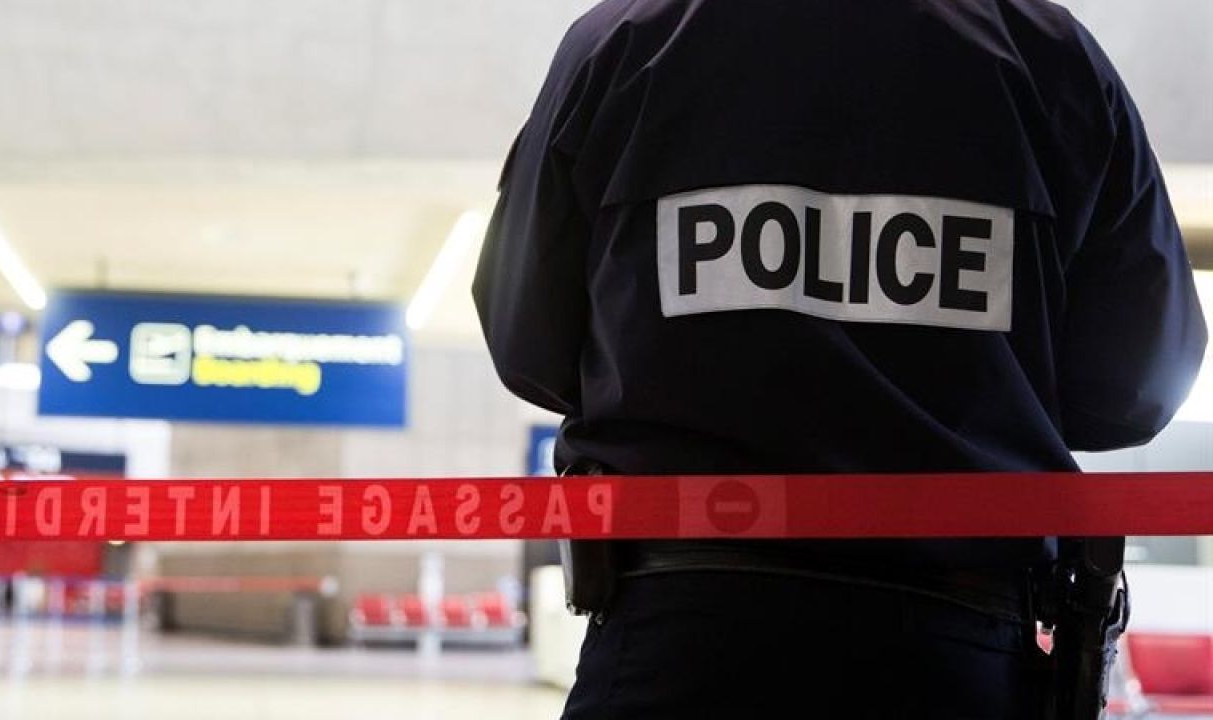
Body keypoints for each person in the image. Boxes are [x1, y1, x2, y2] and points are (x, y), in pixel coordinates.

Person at [473, 1, 1208, 718]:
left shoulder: (622, 44)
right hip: (958, 647)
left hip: (672, 637)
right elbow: (1134, 388)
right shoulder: (1051, 59)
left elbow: (527, 343)